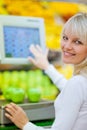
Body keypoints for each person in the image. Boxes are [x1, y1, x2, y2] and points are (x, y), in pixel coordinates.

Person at [5, 12, 87, 130]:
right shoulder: (81, 81)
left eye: (77, 42)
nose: (67, 46)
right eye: (65, 38)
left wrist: (25, 124)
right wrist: (47, 67)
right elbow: (70, 88)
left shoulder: (77, 83)